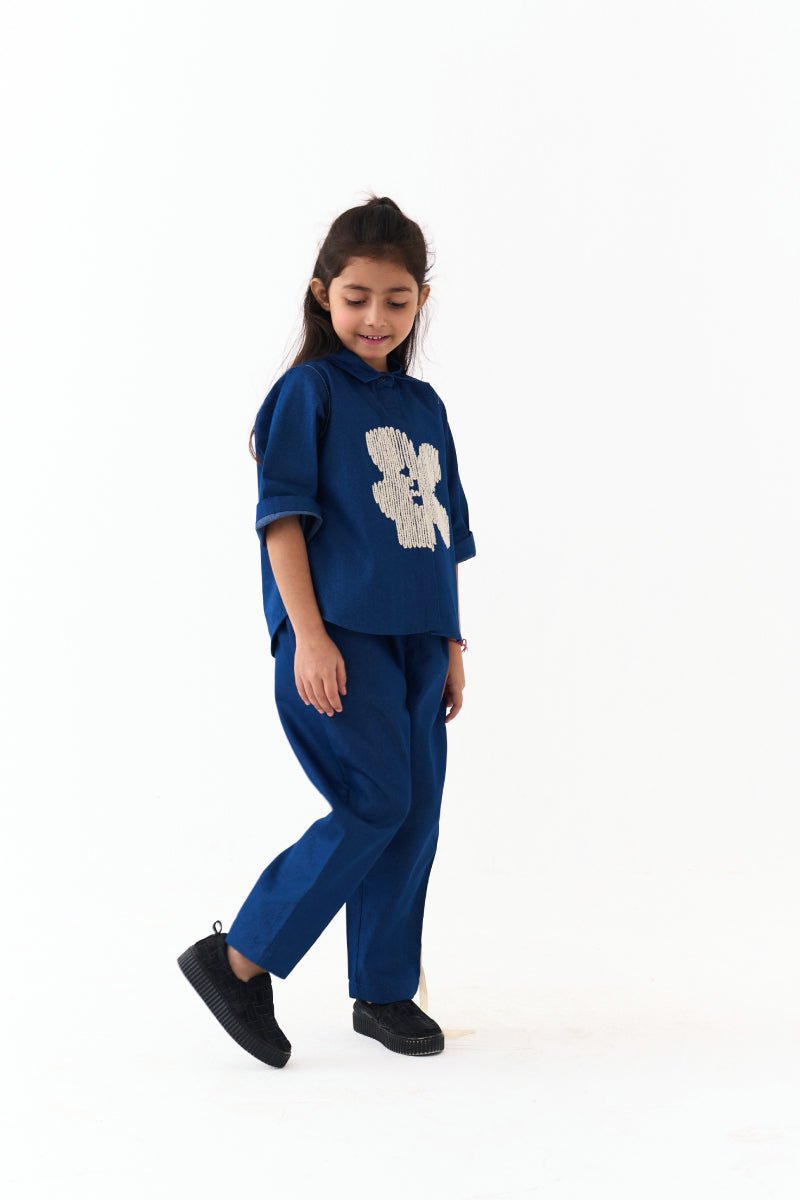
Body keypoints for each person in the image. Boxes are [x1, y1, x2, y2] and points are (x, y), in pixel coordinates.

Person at [177, 194, 477, 1067]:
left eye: (396, 299)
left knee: (414, 813)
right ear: (322, 294)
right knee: (375, 800)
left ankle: (383, 990)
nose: (375, 316)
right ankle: (239, 957)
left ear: (421, 300)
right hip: (339, 635)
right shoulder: (307, 393)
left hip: (420, 639)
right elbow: (282, 522)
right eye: (356, 297)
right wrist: (306, 636)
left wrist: (452, 646)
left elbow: (442, 534)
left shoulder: (425, 406)